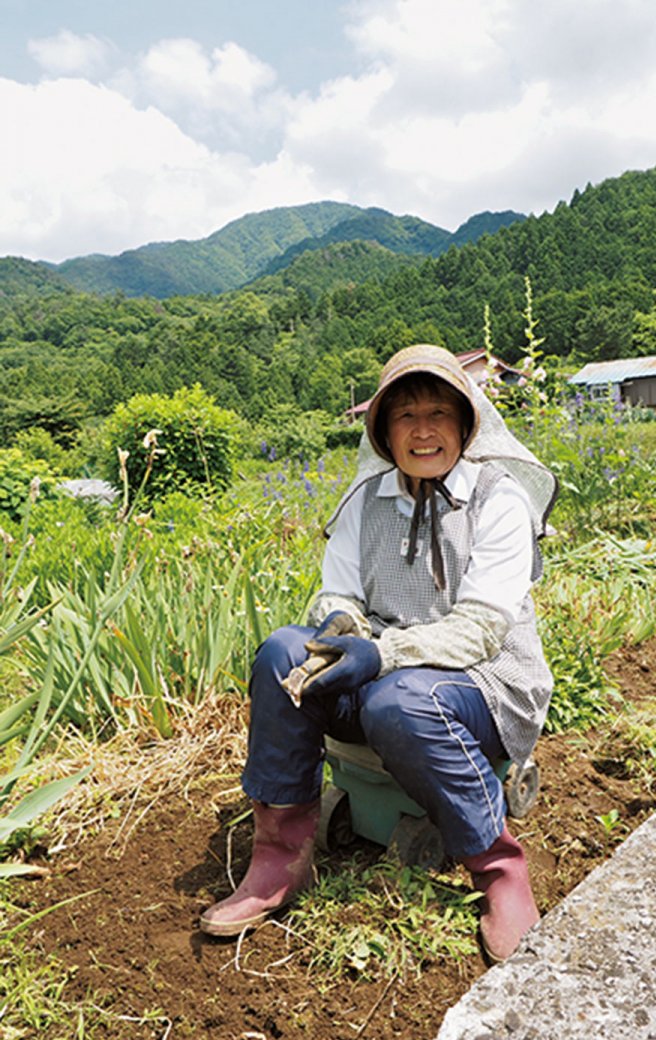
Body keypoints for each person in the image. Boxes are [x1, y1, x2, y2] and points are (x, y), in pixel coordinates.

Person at [200, 343, 558, 961]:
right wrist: (342, 628)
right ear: (384, 432)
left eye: (439, 414)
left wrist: (380, 654)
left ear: (466, 424)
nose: (424, 431)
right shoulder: (367, 502)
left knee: (400, 700)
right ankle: (279, 859)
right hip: (387, 674)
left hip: (484, 682)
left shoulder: (497, 501)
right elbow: (338, 595)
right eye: (405, 416)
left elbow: (479, 628)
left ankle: (498, 868)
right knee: (283, 650)